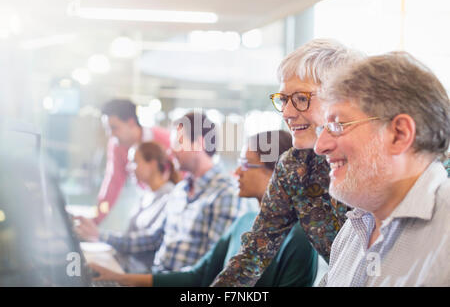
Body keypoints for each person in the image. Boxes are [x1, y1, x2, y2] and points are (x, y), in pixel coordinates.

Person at [211, 39, 363, 287]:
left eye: (301, 98)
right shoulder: (294, 166)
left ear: (342, 97)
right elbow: (255, 253)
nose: (287, 113)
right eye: (283, 100)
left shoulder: (379, 159)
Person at [87, 130, 318, 287]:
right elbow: (199, 274)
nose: (237, 172)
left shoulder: (298, 237)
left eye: (246, 164)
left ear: (278, 172)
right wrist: (120, 278)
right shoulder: (245, 222)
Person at [314, 51, 450, 286]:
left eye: (337, 125)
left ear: (399, 134)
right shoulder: (355, 227)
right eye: (323, 128)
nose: (320, 146)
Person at [91, 111, 251, 276]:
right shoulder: (180, 190)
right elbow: (152, 239)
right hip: (155, 278)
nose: (171, 151)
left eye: (179, 143)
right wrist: (100, 236)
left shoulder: (226, 194)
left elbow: (211, 268)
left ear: (199, 143)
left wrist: (130, 279)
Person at [75, 141, 179, 273]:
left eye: (134, 162)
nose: (129, 167)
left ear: (152, 164)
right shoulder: (145, 195)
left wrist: (100, 235)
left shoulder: (169, 197)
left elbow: (146, 241)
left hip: (139, 273)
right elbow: (129, 238)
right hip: (125, 264)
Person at [95, 99, 172, 224]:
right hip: (145, 200)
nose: (111, 134)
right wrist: (96, 219)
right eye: (108, 129)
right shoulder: (116, 145)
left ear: (131, 123)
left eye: (114, 128)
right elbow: (112, 183)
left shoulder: (165, 140)